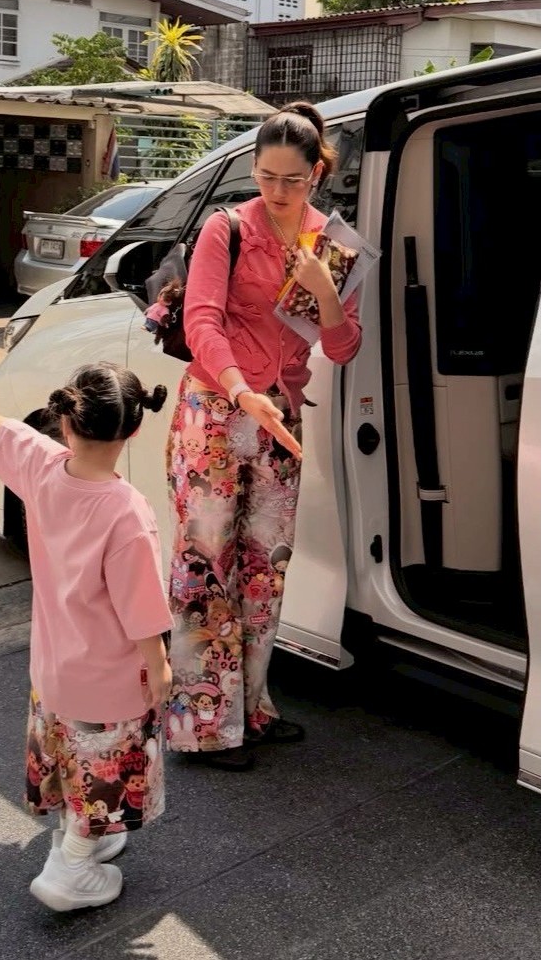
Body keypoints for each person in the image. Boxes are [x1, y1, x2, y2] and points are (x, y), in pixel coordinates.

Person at [165, 101, 363, 772]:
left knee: (264, 566)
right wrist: (237, 387)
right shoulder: (228, 228)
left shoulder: (333, 244)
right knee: (206, 562)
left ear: (317, 175)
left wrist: (325, 292)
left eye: (292, 180)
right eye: (266, 176)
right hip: (215, 410)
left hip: (280, 417)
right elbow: (200, 320)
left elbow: (343, 346)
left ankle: (250, 709)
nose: (277, 191)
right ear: (253, 169)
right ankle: (202, 725)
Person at [0, 363, 173, 912]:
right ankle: (70, 867)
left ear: (67, 422)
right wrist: (159, 665)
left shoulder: (45, 470)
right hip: (108, 678)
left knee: (68, 756)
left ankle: (74, 839)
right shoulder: (126, 511)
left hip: (53, 669)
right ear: (135, 429)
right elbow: (141, 608)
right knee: (101, 768)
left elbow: (16, 434)